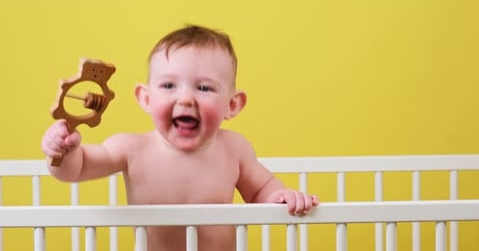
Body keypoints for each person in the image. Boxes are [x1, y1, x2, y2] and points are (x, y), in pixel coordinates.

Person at [41, 25, 319, 251]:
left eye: (204, 87)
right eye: (169, 85)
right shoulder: (131, 149)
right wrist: (64, 152)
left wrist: (282, 197)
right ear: (146, 98)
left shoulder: (234, 149)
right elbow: (76, 170)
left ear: (231, 106)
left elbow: (261, 190)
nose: (185, 98)